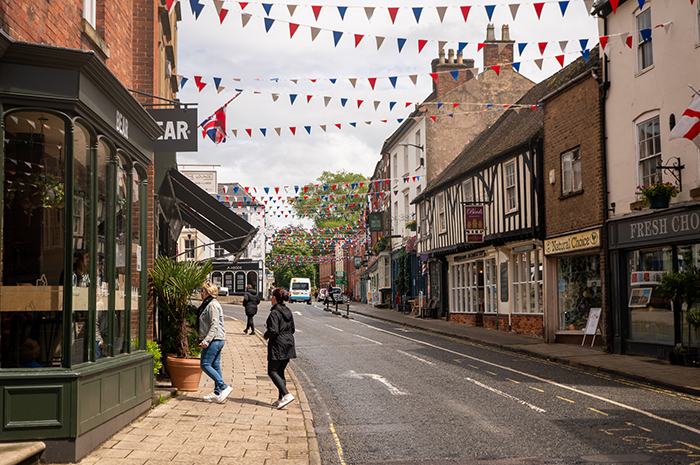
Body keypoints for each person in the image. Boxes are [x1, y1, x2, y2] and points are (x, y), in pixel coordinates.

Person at [198, 282, 233, 403]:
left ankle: (224, 387)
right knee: (215, 365)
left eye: (202, 291)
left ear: (208, 293)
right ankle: (217, 393)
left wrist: (206, 341)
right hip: (218, 339)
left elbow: (214, 325)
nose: (200, 293)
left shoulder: (212, 305)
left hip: (214, 339)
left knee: (205, 364)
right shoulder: (209, 304)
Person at [264, 288, 296, 409]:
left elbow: (273, 331)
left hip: (278, 345)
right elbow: (292, 329)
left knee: (272, 371)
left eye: (272, 296)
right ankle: (281, 399)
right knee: (280, 371)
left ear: (274, 298)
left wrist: (266, 335)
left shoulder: (274, 313)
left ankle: (287, 395)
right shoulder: (288, 311)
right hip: (289, 343)